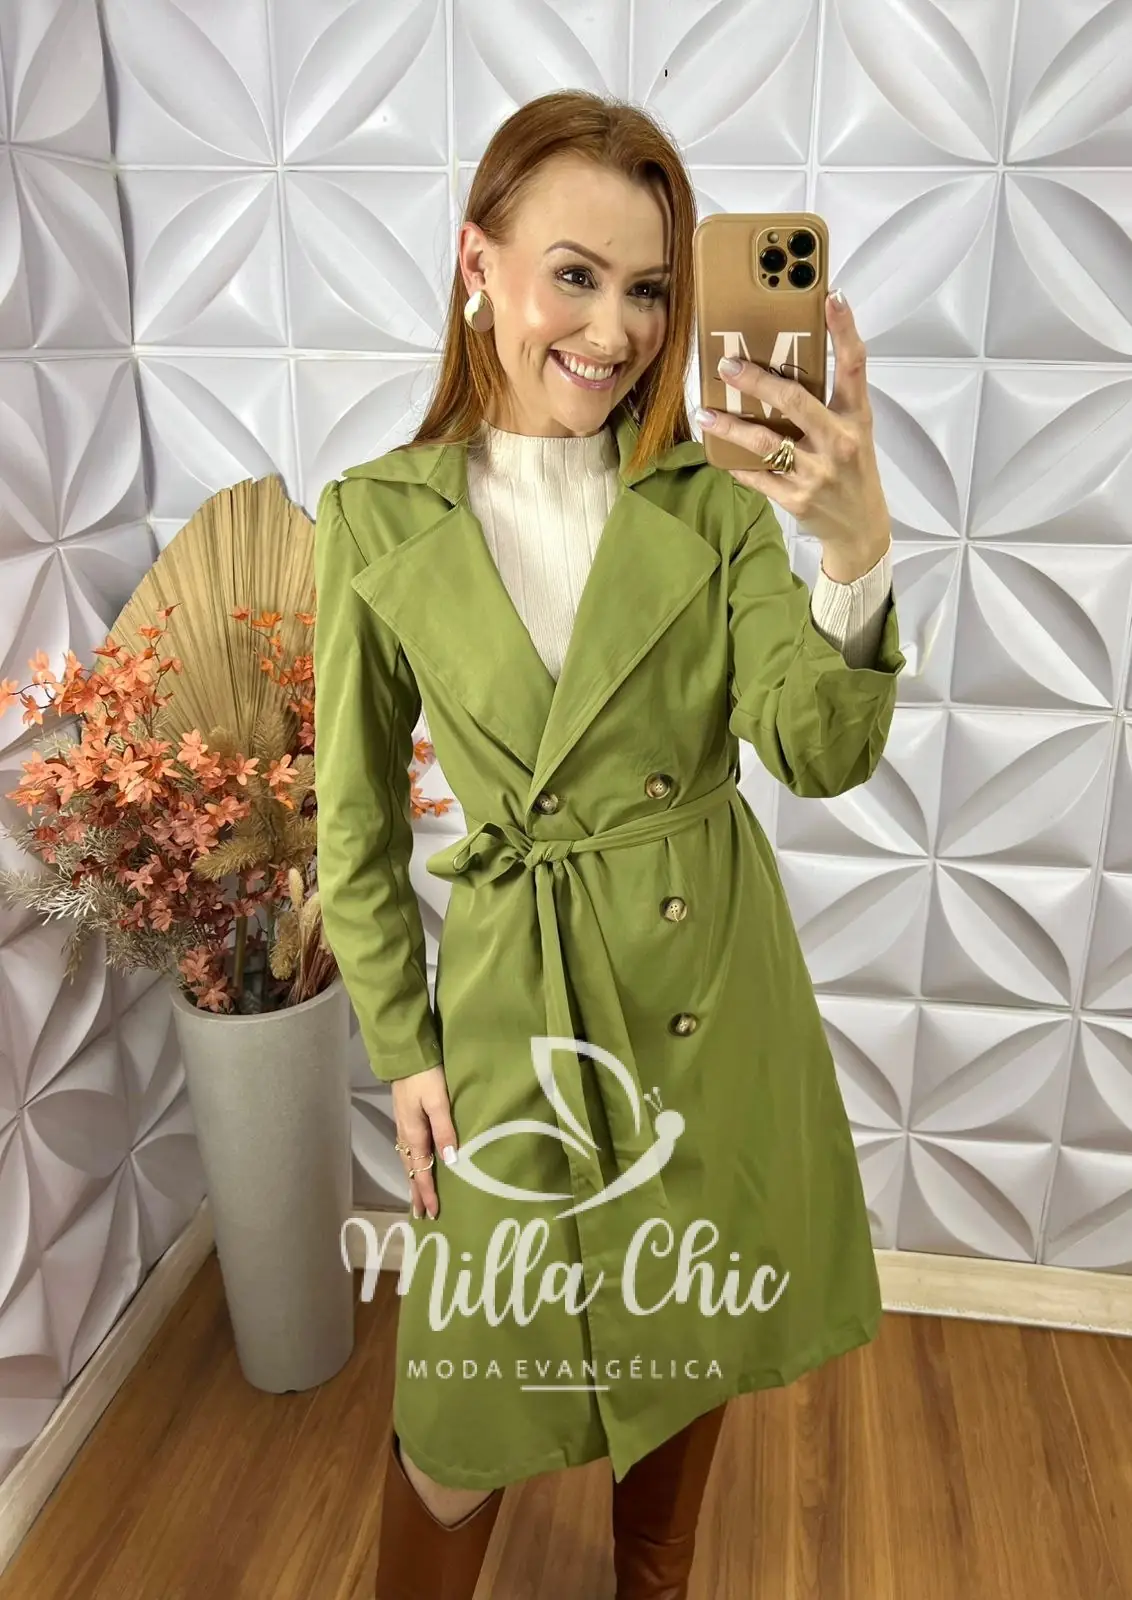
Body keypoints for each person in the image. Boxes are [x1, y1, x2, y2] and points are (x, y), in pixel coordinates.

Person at [313, 89, 905, 1600]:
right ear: (478, 262)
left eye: (648, 289)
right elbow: (354, 821)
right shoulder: (373, 518)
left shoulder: (714, 506)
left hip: (705, 983)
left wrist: (853, 546)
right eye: (573, 275)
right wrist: (406, 1049)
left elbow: (818, 748)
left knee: (687, 1328)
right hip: (511, 998)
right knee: (460, 1408)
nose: (616, 329)